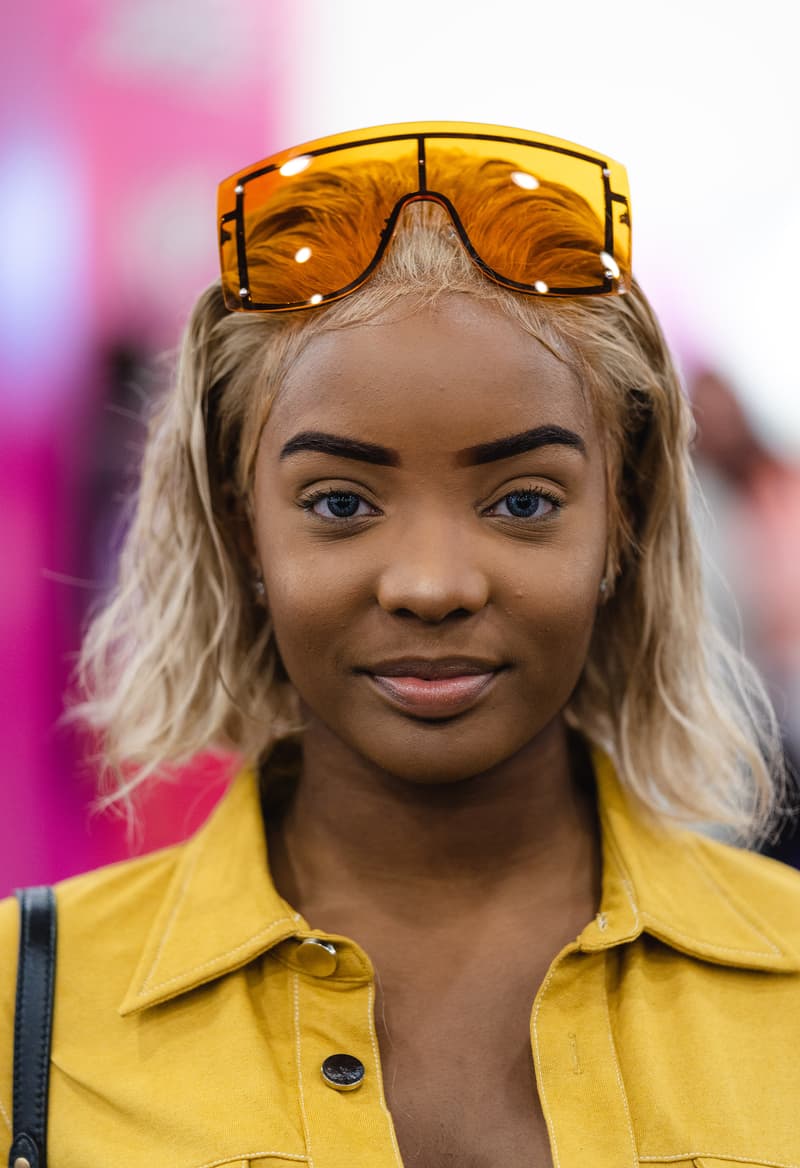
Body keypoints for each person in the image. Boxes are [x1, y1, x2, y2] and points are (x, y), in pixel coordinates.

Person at [2, 120, 800, 1168]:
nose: (432, 584)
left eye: (521, 501)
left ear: (626, 516)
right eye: (339, 501)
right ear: (242, 527)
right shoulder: (29, 1010)